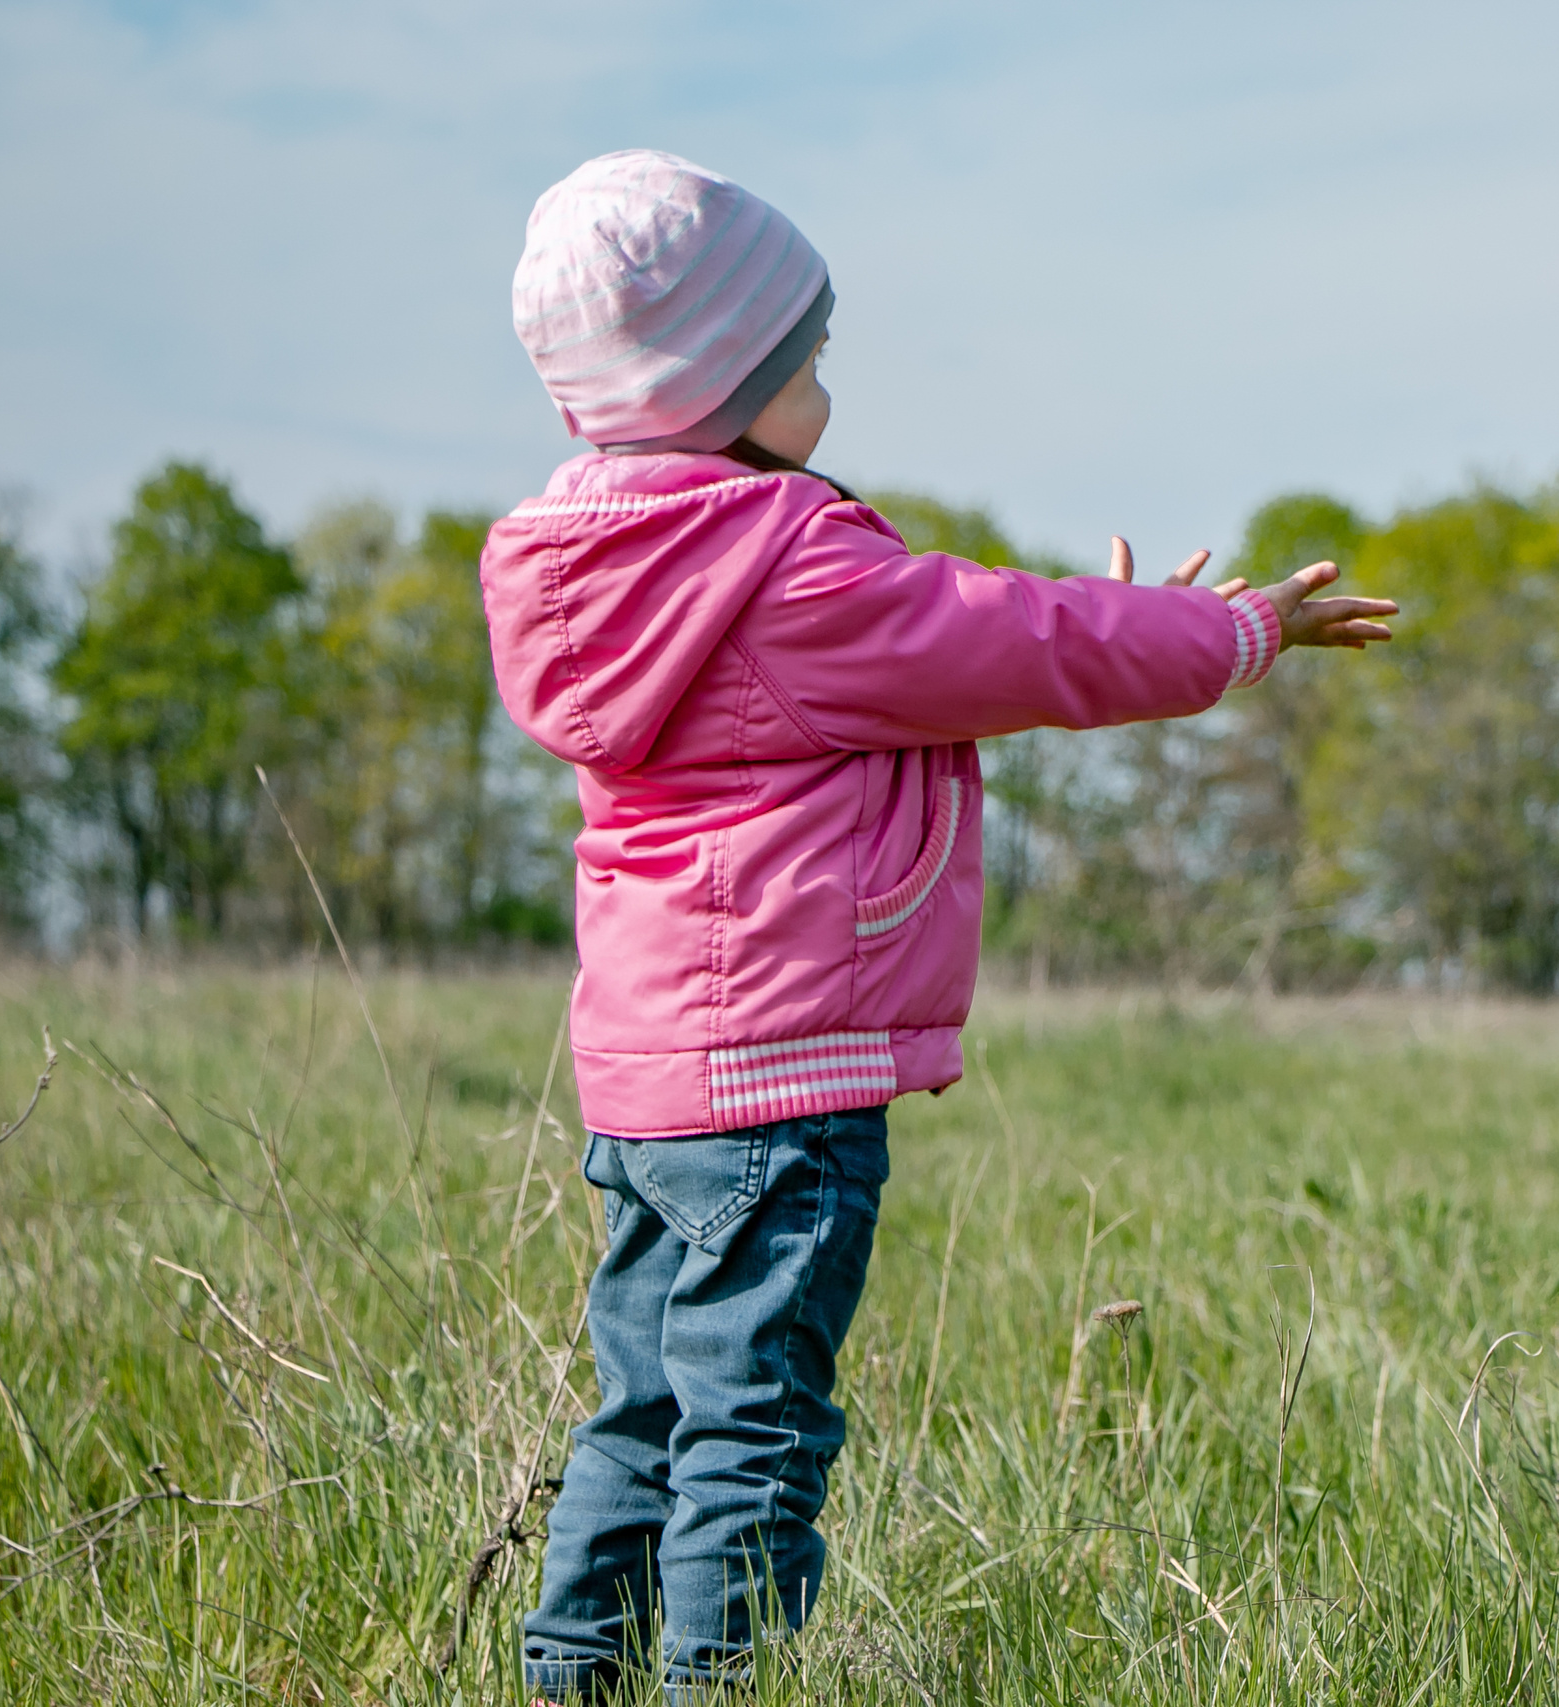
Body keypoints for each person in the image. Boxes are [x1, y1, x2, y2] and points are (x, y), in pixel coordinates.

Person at [482, 149, 1396, 1703]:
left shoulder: (586, 572)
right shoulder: (786, 566)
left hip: (644, 1083)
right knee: (756, 1429)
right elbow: (1022, 638)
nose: (823, 386)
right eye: (806, 359)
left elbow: (969, 652)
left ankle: (574, 1675)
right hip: (779, 1085)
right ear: (724, 378)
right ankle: (728, 1683)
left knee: (643, 1412)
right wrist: (1229, 632)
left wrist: (1102, 633)